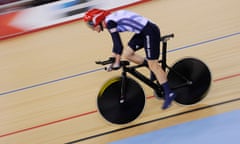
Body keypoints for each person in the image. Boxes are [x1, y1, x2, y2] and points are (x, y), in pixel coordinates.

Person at [84, 8, 176, 109]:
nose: (92, 29)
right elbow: (116, 46)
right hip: (143, 32)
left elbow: (118, 45)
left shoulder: (110, 22)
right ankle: (152, 69)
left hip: (150, 32)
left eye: (91, 25)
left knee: (153, 64)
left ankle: (169, 93)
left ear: (97, 20)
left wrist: (116, 63)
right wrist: (114, 59)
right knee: (127, 54)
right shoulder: (109, 22)